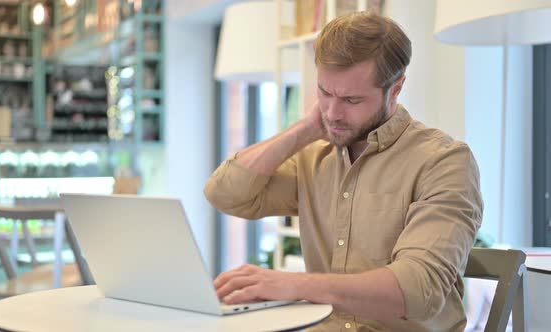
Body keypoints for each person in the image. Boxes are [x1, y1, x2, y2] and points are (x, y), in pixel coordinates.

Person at [204, 11, 483, 331]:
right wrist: (303, 129)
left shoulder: (444, 161)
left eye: (351, 99)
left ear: (396, 89)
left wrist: (294, 284)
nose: (333, 112)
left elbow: (419, 288)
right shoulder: (314, 156)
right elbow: (225, 194)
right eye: (325, 92)